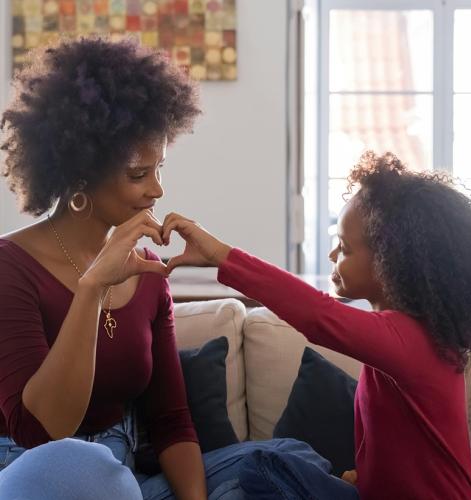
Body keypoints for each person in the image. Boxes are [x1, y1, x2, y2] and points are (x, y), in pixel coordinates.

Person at [0, 37, 359, 500]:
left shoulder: (148, 274)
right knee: (83, 466)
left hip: (124, 479)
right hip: (35, 474)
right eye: (138, 174)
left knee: (284, 459)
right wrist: (92, 288)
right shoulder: (11, 267)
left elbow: (171, 420)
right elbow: (43, 430)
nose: (156, 190)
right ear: (80, 174)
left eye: (159, 169)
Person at [161, 151, 471, 500]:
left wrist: (221, 254)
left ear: (389, 259)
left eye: (345, 247)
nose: (332, 256)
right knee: (265, 467)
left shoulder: (410, 340)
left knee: (260, 467)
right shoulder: (402, 334)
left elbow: (318, 316)